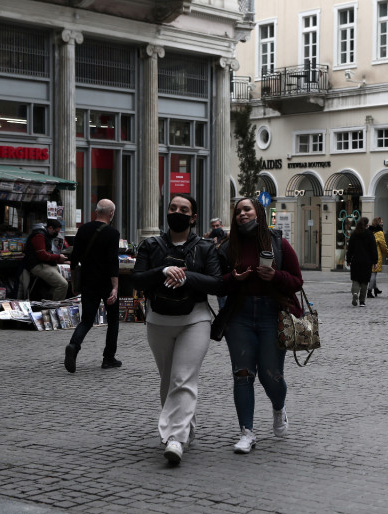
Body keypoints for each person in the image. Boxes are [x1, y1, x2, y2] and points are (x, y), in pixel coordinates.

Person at [132, 194, 222, 465]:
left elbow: (217, 283)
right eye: (173, 208)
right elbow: (136, 280)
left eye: (184, 210)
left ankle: (174, 438)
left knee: (183, 377)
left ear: (194, 217)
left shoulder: (205, 247)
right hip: (158, 320)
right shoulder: (151, 245)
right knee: (168, 379)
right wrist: (163, 270)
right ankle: (185, 426)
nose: (177, 212)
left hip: (195, 320)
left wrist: (185, 276)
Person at [217, 197, 302, 454]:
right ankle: (247, 432)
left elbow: (297, 281)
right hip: (239, 316)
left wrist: (275, 275)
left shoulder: (277, 242)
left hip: (271, 314)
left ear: (259, 213)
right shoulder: (226, 247)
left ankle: (278, 408)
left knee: (271, 375)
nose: (242, 214)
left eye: (247, 209)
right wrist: (233, 277)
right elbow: (217, 282)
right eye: (238, 211)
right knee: (243, 374)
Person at [65, 199, 122, 373]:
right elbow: (113, 262)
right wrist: (114, 288)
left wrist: (75, 283)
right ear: (111, 214)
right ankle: (108, 358)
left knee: (87, 320)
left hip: (88, 281)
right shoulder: (112, 233)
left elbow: (73, 260)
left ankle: (74, 345)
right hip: (105, 282)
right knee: (113, 320)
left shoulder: (82, 229)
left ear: (96, 212)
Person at [22, 218, 69, 300]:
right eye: (56, 231)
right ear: (50, 228)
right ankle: (54, 307)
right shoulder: (39, 236)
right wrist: (58, 257)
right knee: (62, 284)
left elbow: (47, 254)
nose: (56, 234)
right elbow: (43, 255)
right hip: (38, 265)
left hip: (43, 264)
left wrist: (61, 260)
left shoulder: (45, 235)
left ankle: (50, 298)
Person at [346, 217, 378, 307]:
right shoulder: (370, 234)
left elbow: (350, 249)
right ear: (367, 224)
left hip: (356, 260)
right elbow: (373, 249)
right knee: (364, 281)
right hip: (367, 261)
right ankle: (362, 301)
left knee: (355, 280)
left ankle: (355, 293)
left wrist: (348, 260)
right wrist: (375, 261)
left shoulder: (354, 234)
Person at [367, 217, 388, 298]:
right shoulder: (379, 232)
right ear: (378, 223)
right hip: (376, 255)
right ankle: (369, 291)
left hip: (368, 254)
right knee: (373, 274)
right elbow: (383, 246)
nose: (382, 223)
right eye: (381, 222)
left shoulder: (369, 231)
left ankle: (375, 289)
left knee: (373, 272)